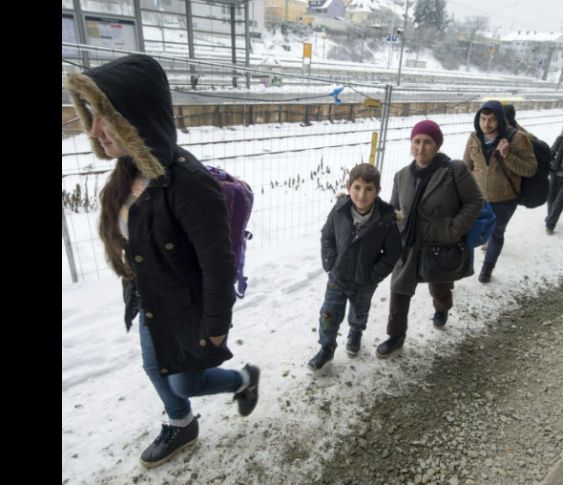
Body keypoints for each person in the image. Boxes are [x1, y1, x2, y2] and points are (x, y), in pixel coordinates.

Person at [64, 54, 260, 468]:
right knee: (156, 367)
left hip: (188, 308)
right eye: (93, 116)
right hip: (152, 296)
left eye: (106, 117)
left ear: (136, 118)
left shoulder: (190, 185)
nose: (95, 130)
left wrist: (215, 329)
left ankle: (243, 379)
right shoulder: (130, 168)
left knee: (185, 378)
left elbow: (218, 264)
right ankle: (181, 422)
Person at [376, 120, 483, 357]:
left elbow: (475, 201)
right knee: (399, 289)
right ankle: (395, 336)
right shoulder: (401, 176)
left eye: (427, 142)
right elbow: (395, 209)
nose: (420, 148)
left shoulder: (453, 170)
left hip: (440, 243)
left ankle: (442, 308)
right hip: (409, 244)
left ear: (437, 145)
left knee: (440, 288)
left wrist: (453, 229)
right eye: (416, 141)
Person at [308, 164, 402, 370]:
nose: (362, 195)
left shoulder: (385, 219)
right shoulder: (340, 209)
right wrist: (330, 263)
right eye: (357, 188)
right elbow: (327, 235)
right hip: (338, 277)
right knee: (328, 315)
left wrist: (374, 275)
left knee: (359, 313)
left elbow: (393, 252)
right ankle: (326, 347)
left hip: (364, 282)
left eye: (369, 189)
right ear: (349, 187)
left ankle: (356, 333)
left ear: (378, 191)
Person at [463, 100, 537, 283]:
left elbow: (530, 169)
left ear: (501, 120)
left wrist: (507, 155)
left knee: (496, 234)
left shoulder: (518, 139)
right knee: (468, 233)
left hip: (504, 200)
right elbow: (467, 165)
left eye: (492, 120)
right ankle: (463, 268)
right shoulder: (474, 139)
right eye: (483, 119)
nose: (486, 124)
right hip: (477, 198)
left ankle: (487, 269)